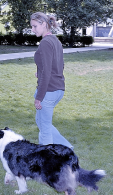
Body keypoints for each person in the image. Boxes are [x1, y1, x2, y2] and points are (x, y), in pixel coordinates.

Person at [30, 12, 73, 149]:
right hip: (58, 89)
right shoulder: (55, 40)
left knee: (45, 130)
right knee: (42, 122)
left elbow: (47, 72)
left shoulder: (45, 43)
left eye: (35, 26)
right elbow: (59, 65)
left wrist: (39, 97)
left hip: (48, 91)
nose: (33, 29)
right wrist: (40, 70)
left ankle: (47, 163)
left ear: (44, 24)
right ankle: (66, 148)